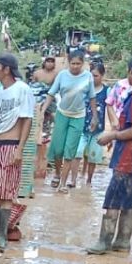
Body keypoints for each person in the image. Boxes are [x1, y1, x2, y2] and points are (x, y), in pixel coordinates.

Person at [87, 52, 132, 256]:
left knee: (114, 198)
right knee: (127, 199)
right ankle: (123, 240)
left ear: (131, 72)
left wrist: (111, 136)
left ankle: (104, 241)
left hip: (128, 156)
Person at [0, 54, 36, 248]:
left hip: (11, 144)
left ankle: (1, 235)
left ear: (6, 70)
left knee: (6, 193)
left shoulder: (22, 90)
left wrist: (19, 149)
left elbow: (27, 120)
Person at [44, 49, 94, 191]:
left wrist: (95, 118)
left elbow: (92, 98)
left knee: (70, 151)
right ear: (68, 63)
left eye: (78, 63)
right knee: (58, 149)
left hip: (78, 116)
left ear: (83, 63)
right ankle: (57, 174)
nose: (75, 66)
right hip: (62, 114)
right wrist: (42, 110)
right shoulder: (62, 75)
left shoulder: (88, 77)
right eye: (73, 63)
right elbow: (51, 93)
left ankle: (63, 183)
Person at [78, 60, 109, 186]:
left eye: (96, 76)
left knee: (93, 155)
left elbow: (111, 109)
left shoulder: (107, 91)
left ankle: (89, 180)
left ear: (102, 76)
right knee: (79, 152)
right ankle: (78, 176)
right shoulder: (84, 89)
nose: (93, 78)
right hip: (83, 126)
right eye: (91, 75)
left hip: (98, 129)